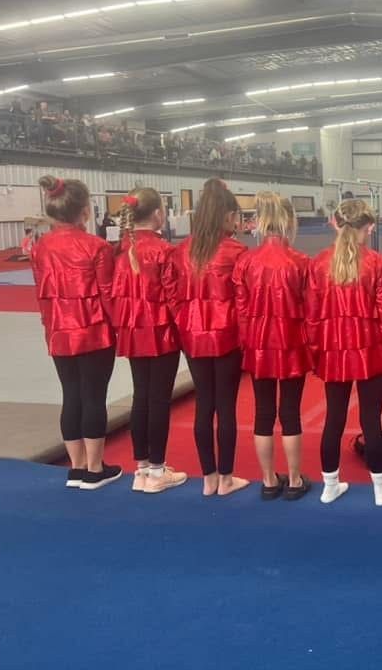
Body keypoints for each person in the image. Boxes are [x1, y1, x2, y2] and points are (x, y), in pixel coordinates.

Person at [307, 198, 382, 507]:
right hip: (369, 350)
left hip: (333, 350)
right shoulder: (376, 262)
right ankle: (380, 489)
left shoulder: (319, 263)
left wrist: (315, 352)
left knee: (333, 419)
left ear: (334, 223)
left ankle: (329, 485)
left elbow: (311, 315)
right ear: (370, 227)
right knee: (371, 420)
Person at [32, 176, 120, 490]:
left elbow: (42, 293)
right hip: (94, 331)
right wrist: (120, 326)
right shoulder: (96, 246)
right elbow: (107, 293)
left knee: (71, 395)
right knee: (94, 396)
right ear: (85, 211)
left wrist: (51, 325)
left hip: (59, 330)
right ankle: (96, 470)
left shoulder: (40, 247)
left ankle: (77, 467)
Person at [167, 178, 249, 497]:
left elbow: (173, 296)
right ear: (227, 216)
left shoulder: (182, 250)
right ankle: (226, 477)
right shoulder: (236, 251)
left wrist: (186, 321)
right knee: (225, 406)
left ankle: (209, 477)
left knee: (205, 403)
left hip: (194, 335)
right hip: (226, 335)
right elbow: (243, 299)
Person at [232, 191, 312, 501]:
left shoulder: (246, 262)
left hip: (259, 344)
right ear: (290, 222)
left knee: (263, 412)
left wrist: (248, 342)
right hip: (291, 344)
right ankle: (293, 480)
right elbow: (310, 309)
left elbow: (241, 311)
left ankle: (267, 479)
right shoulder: (301, 262)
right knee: (290, 412)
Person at [110, 188, 188, 494]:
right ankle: (157, 471)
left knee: (141, 396)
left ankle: (141, 469)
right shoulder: (165, 251)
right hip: (161, 333)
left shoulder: (120, 252)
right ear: (158, 214)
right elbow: (174, 297)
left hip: (132, 331)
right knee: (158, 400)